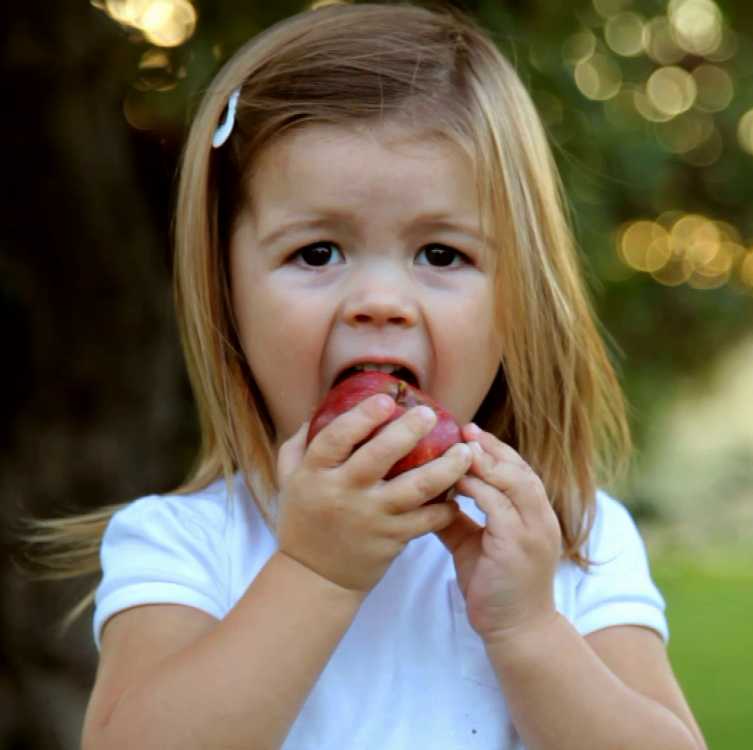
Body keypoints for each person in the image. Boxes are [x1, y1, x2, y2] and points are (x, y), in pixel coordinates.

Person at [29, 3, 707, 749]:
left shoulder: (572, 540)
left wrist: (529, 628)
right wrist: (315, 574)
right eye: (317, 252)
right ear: (227, 295)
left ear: (519, 300)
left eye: (441, 254)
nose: (380, 303)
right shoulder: (187, 545)